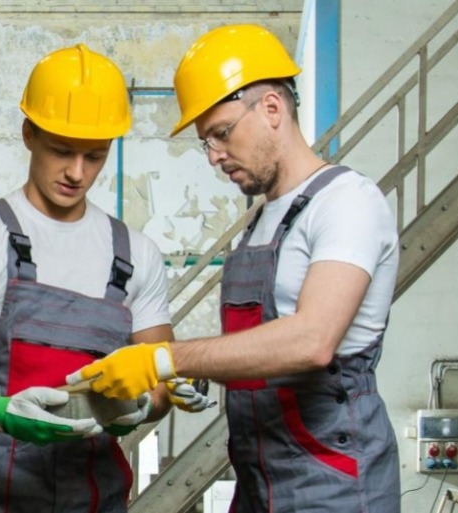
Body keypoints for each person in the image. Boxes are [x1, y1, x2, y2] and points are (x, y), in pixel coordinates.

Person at [66, 24, 402, 511]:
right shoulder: (261, 220)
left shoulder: (347, 202)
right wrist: (198, 377)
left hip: (333, 480)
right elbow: (259, 347)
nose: (215, 156)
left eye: (221, 134)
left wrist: (164, 360)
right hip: (259, 478)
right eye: (207, 143)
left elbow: (311, 341)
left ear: (271, 108)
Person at [0, 43, 204, 513]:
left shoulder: (136, 255)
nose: (76, 173)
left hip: (95, 500)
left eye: (94, 156)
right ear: (29, 132)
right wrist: (0, 411)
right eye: (62, 151)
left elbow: (158, 377)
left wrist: (139, 409)